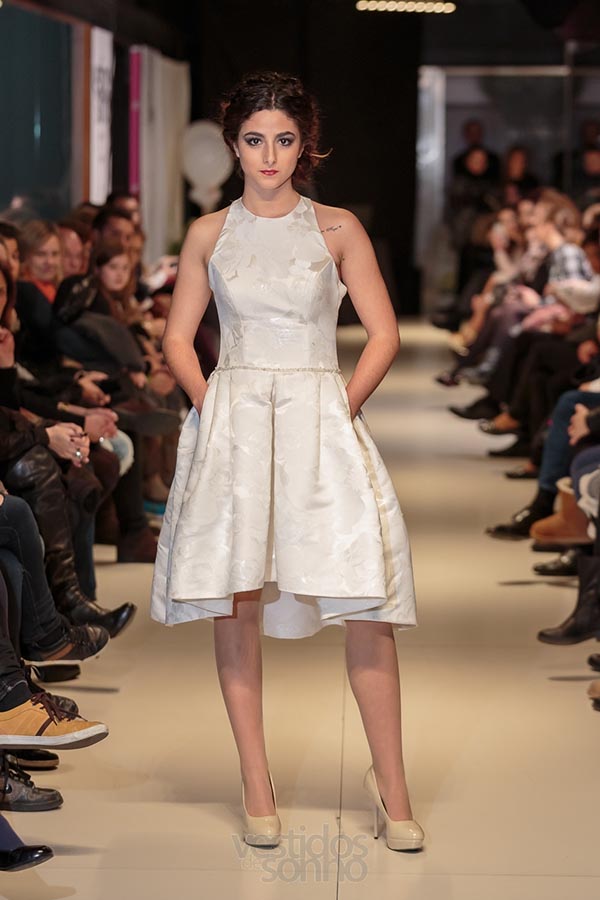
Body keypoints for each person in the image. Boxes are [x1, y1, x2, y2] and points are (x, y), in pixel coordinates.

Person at [150, 70, 423, 853]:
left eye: (284, 140)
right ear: (233, 143)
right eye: (254, 140)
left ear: (307, 145)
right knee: (236, 599)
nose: (268, 155)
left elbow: (384, 333)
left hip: (320, 425)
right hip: (235, 423)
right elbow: (177, 337)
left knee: (366, 604)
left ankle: (393, 790)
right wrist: (212, 405)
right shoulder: (209, 232)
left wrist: (341, 406)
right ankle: (256, 783)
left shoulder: (337, 229)